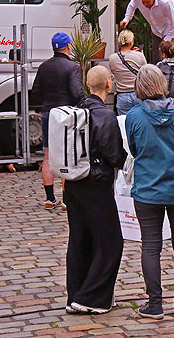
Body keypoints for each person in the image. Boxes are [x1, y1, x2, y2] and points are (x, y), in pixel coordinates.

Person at [125, 64, 174, 319]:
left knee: (150, 247)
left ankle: (155, 304)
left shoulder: (134, 116)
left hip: (147, 190)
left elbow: (133, 149)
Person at [65, 66, 128, 314]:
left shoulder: (74, 112)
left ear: (87, 85)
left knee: (80, 241)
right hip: (96, 185)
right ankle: (92, 298)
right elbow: (114, 155)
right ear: (109, 85)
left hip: (73, 185)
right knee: (111, 242)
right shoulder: (105, 115)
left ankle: (76, 295)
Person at [32, 32, 85, 209]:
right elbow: (77, 92)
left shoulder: (44, 66)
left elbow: (35, 92)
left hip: (48, 112)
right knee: (66, 155)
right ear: (68, 46)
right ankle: (67, 199)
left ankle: (49, 198)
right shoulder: (72, 67)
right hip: (66, 113)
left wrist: (44, 105)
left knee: (47, 156)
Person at [108, 29, 146, 116]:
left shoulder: (112, 58)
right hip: (138, 94)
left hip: (122, 96)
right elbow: (145, 73)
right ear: (131, 42)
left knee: (124, 123)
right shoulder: (139, 55)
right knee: (139, 122)